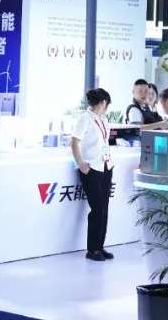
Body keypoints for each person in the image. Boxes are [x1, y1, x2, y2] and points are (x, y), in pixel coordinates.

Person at [71, 88, 115, 261]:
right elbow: (74, 142)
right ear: (103, 102)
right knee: (97, 208)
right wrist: (80, 163)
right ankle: (92, 250)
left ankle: (100, 246)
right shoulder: (85, 118)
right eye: (107, 104)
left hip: (106, 166)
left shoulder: (103, 120)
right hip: (92, 168)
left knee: (104, 209)